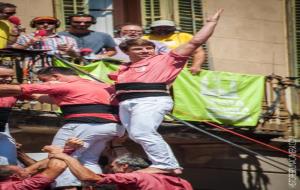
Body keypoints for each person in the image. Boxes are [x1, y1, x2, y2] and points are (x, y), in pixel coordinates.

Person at [108, 9, 223, 174]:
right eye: (139, 49)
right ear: (127, 52)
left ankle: (165, 165)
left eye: (149, 48)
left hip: (151, 100)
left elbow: (195, 42)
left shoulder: (165, 59)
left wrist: (211, 23)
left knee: (143, 132)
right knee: (135, 135)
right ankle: (171, 166)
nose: (146, 51)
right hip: (128, 103)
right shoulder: (123, 67)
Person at [0, 66, 125, 189]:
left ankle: (67, 187)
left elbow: (20, 88)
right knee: (89, 160)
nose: (43, 84)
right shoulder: (101, 85)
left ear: (56, 77)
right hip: (113, 127)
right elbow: (48, 98)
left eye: (44, 81)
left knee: (59, 157)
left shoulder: (63, 84)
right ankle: (92, 187)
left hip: (85, 124)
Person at [50, 152, 193, 190]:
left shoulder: (136, 177)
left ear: (124, 166)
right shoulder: (181, 181)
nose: (109, 169)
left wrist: (66, 157)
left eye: (113, 167)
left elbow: (88, 177)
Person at [0, 138, 84, 190]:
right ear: (15, 177)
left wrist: (67, 149)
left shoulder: (9, 182)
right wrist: (59, 152)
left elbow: (36, 167)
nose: (27, 170)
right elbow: (57, 167)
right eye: (23, 170)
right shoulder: (20, 187)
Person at [12, 16, 79, 57]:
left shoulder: (68, 39)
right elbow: (15, 51)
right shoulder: (25, 37)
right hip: (33, 69)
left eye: (50, 23)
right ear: (34, 25)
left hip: (59, 69)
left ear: (56, 25)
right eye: (41, 23)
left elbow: (77, 56)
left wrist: (70, 51)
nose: (46, 25)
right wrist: (29, 43)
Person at [0, 67, 20, 165]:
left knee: (9, 160)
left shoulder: (13, 91)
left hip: (3, 126)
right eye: (3, 76)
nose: (9, 79)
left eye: (10, 77)